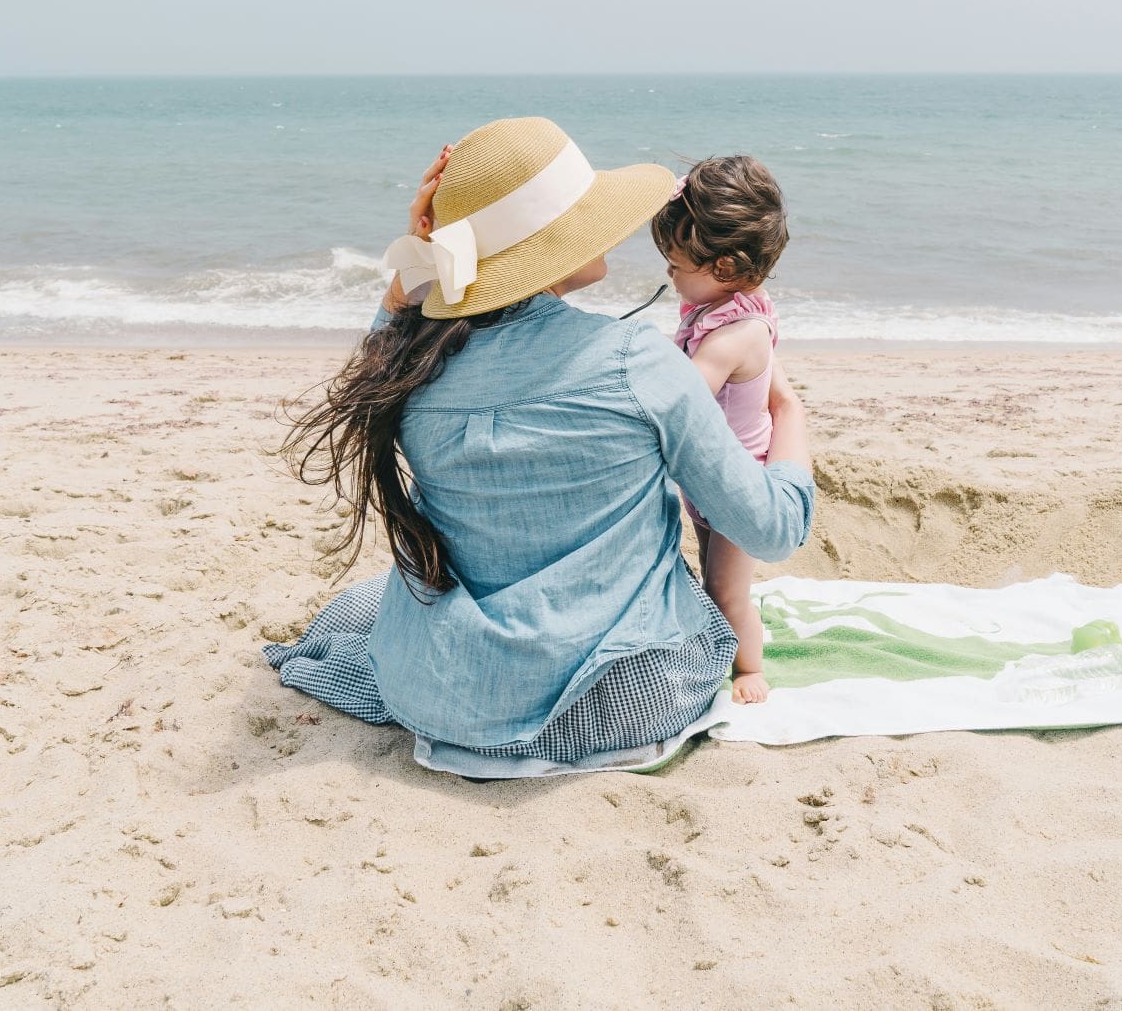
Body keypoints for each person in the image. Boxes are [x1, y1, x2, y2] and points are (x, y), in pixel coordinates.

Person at [266, 116, 814, 768]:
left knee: (368, 607)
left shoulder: (409, 368)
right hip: (623, 699)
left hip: (447, 684)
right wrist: (790, 411)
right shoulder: (636, 363)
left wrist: (417, 263)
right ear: (548, 245)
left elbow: (381, 349)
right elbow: (773, 530)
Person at [650, 156, 788, 703]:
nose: (669, 275)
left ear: (726, 267)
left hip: (736, 487)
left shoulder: (733, 337)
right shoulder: (726, 306)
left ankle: (750, 666)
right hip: (709, 484)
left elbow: (680, 397)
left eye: (677, 265)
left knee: (727, 591)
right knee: (714, 574)